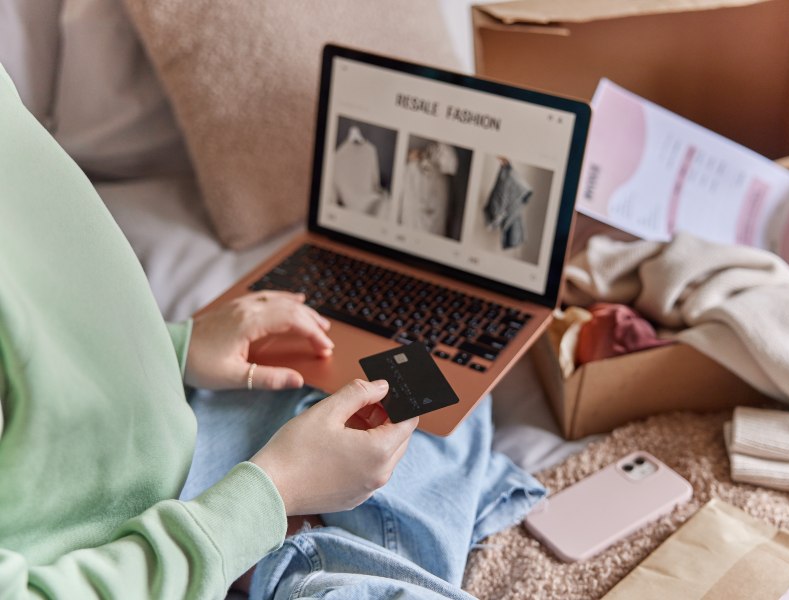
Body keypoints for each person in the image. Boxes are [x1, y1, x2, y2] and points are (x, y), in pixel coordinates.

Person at [0, 62, 543, 600]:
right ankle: (282, 557)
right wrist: (270, 493)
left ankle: (281, 548)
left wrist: (172, 347)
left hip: (158, 422)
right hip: (132, 543)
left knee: (424, 389)